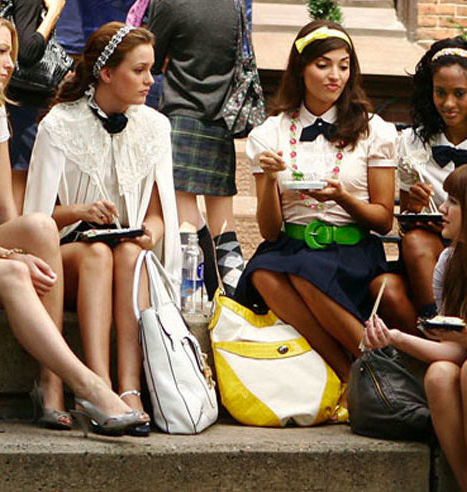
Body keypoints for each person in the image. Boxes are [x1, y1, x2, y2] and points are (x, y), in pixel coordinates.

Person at [0, 1, 146, 436]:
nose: (11, 63)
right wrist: (10, 257)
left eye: (12, 53)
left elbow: (5, 210)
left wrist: (29, 243)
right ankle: (90, 387)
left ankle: (49, 384)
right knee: (13, 276)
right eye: (2, 52)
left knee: (39, 225)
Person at [23, 22, 181, 436]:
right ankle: (96, 387)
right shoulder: (59, 124)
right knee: (96, 253)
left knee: (129, 252)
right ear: (107, 73)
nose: (150, 81)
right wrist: (81, 211)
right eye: (139, 70)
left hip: (125, 254)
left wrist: (149, 235)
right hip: (67, 257)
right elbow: (35, 220)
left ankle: (129, 388)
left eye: (152, 70)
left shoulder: (156, 127)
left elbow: (158, 216)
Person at [233, 20, 397, 411]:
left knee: (301, 271)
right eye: (323, 65)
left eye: (344, 65)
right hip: (292, 245)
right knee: (263, 272)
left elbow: (383, 220)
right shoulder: (271, 133)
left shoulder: (375, 130)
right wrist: (269, 179)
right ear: (301, 68)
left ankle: (370, 368)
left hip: (351, 250)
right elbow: (270, 231)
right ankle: (349, 372)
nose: (334, 75)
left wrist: (343, 197)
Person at [363, 165, 467, 491]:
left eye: (453, 202)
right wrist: (393, 338)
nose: (443, 209)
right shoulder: (449, 263)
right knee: (439, 374)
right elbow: (453, 351)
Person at [148, 0, 247, 297]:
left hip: (181, 117)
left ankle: (191, 303)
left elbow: (151, 59)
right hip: (221, 120)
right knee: (224, 228)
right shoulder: (233, 5)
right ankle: (240, 300)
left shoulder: (170, 3)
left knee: (185, 224)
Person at [370, 36, 467, 335]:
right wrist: (413, 205)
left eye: (460, 93)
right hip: (428, 251)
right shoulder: (413, 141)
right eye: (440, 92)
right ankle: (437, 335)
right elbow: (406, 224)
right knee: (385, 285)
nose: (448, 103)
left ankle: (441, 343)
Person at [4, 0, 67, 213]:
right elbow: (27, 52)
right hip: (24, 102)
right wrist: (53, 13)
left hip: (25, 101)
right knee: (21, 177)